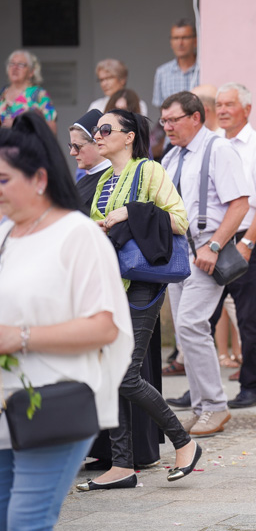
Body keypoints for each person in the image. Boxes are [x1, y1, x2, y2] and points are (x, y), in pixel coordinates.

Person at [0, 111, 132, 530]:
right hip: (6, 404)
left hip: (54, 404)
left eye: (4, 180)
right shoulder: (5, 234)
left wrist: (19, 337)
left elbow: (104, 327)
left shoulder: (78, 235)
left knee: (26, 523)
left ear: (38, 179)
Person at [75, 109, 200, 490]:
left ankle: (184, 442)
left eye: (106, 129)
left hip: (143, 284)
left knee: (126, 373)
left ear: (129, 136)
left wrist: (130, 211)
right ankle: (122, 465)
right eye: (96, 130)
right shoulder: (103, 181)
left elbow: (179, 219)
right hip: (113, 284)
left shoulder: (149, 170)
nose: (98, 135)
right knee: (113, 372)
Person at [160, 91, 250, 436]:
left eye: (173, 120)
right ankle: (201, 408)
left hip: (207, 251)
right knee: (186, 330)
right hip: (177, 253)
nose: (167, 126)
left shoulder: (218, 149)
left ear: (195, 117)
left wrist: (213, 245)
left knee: (191, 324)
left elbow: (240, 204)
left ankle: (214, 406)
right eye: (163, 120)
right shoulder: (171, 157)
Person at [203, 83, 256, 407]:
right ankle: (202, 388)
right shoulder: (214, 144)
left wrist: (247, 242)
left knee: (247, 318)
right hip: (217, 237)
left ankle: (251, 387)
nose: (221, 110)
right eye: (218, 104)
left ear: (246, 109)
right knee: (205, 316)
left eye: (229, 104)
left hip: (246, 236)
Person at [1, 51, 56, 133]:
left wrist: (18, 124)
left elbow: (52, 130)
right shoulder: (2, 94)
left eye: (20, 64)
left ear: (31, 72)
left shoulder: (39, 94)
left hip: (28, 145)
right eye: (12, 64)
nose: (15, 67)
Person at [68, 109, 110, 214]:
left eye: (77, 146)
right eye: (71, 146)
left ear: (98, 142)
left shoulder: (112, 179)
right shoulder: (83, 181)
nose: (72, 152)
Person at [152, 18, 200, 108]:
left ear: (195, 41)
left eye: (185, 38)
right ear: (171, 42)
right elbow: (161, 108)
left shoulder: (203, 69)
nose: (180, 43)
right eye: (176, 38)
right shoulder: (162, 73)